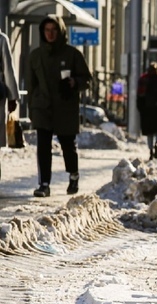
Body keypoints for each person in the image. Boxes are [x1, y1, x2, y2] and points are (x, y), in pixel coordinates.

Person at [26, 15, 92, 197]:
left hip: (65, 106)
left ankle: (73, 174)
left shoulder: (72, 54)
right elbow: (31, 85)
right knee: (43, 146)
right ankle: (44, 184)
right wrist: (31, 107)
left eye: (54, 30)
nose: (50, 34)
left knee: (67, 145)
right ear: (42, 32)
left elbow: (87, 79)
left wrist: (74, 82)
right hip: (43, 107)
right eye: (47, 30)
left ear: (61, 31)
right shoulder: (36, 56)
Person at [1, 29, 20, 148]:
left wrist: (13, 97)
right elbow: (8, 69)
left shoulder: (1, 39)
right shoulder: (1, 39)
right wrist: (12, 97)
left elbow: (8, 70)